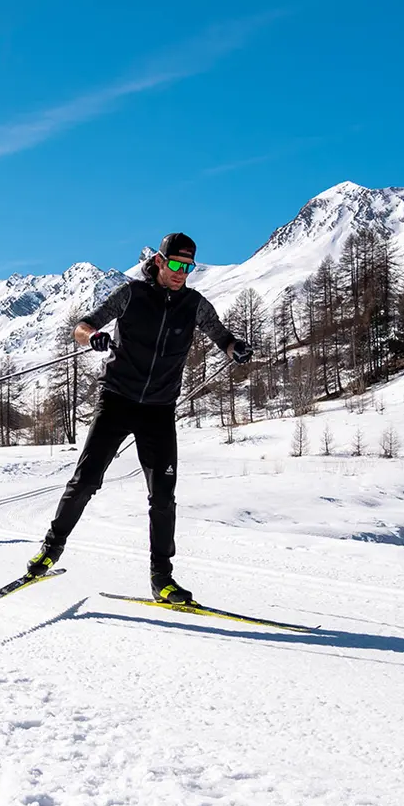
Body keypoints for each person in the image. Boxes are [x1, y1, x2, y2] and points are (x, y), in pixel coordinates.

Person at [26, 233, 251, 603]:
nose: (182, 273)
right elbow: (81, 326)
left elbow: (221, 335)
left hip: (159, 410)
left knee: (163, 496)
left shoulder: (194, 304)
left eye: (188, 267)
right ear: (160, 262)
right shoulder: (131, 294)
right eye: (176, 265)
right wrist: (93, 337)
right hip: (117, 400)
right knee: (85, 481)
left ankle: (161, 579)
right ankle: (50, 551)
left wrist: (234, 347)